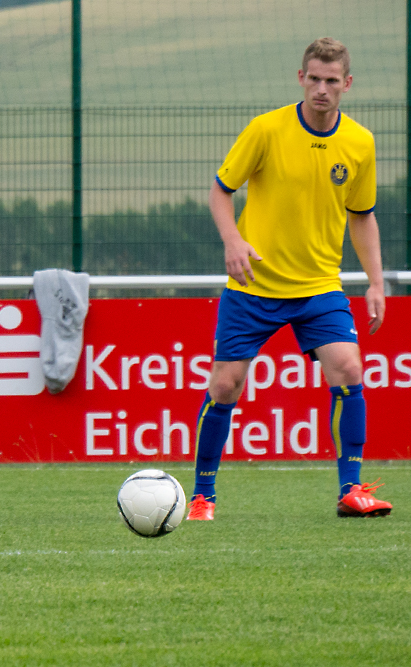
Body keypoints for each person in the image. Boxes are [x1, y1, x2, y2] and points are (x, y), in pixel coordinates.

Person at [188, 37, 392, 521]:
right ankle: (201, 496)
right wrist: (232, 240)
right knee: (226, 386)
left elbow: (362, 215)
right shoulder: (266, 129)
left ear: (347, 83)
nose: (322, 89)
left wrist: (377, 282)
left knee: (349, 369)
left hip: (319, 286)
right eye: (314, 78)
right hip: (254, 286)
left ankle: (352, 490)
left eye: (331, 80)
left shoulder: (360, 143)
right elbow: (220, 191)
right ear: (301, 78)